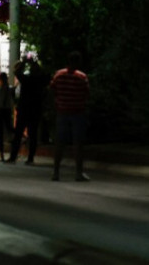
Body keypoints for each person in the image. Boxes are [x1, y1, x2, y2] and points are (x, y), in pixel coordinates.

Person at [50, 51, 90, 182]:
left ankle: (56, 172)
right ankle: (78, 173)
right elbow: (86, 93)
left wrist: (58, 101)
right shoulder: (82, 76)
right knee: (78, 143)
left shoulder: (59, 75)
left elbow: (52, 89)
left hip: (62, 111)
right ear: (78, 62)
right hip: (77, 112)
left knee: (59, 143)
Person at [8, 57, 49, 164]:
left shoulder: (27, 80)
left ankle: (13, 157)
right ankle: (30, 158)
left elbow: (16, 71)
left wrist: (24, 62)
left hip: (24, 109)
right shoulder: (40, 81)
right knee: (33, 134)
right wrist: (34, 63)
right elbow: (46, 75)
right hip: (35, 109)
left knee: (18, 134)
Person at [0, 72, 15, 162]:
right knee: (9, 129)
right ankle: (13, 151)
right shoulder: (11, 89)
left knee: (0, 133)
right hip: (7, 110)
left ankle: (1, 153)